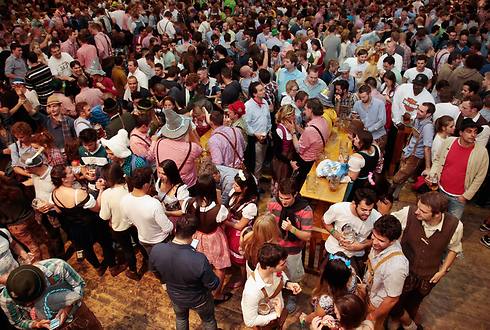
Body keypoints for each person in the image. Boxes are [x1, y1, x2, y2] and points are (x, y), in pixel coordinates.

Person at [390, 192, 463, 330]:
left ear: (437, 214)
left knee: (415, 302)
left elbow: (454, 249)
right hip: (404, 270)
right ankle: (399, 321)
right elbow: (390, 223)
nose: (417, 212)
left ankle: (407, 321)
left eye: (423, 211)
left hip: (428, 275)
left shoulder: (455, 225)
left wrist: (442, 271)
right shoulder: (409, 213)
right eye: (418, 207)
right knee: (396, 300)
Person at [50, 164, 124, 277]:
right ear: (63, 179)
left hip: (74, 227)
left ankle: (98, 267)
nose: (73, 173)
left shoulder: (54, 193)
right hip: (91, 224)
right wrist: (101, 190)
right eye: (70, 172)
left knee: (86, 248)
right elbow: (97, 207)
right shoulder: (77, 194)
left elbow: (59, 211)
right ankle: (113, 267)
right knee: (106, 244)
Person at [150, 215, 220, 330]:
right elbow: (213, 284)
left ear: (176, 229)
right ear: (194, 234)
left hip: (175, 296)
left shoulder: (157, 249)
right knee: (208, 320)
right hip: (199, 299)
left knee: (181, 318)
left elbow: (154, 270)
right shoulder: (199, 259)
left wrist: (163, 282)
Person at [0, 260, 102, 329]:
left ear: (44, 286)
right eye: (25, 303)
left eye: (32, 301)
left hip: (79, 313)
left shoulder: (58, 267)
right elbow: (18, 321)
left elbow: (79, 285)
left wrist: (68, 307)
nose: (29, 304)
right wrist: (37, 324)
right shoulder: (6, 299)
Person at [184, 174, 232, 304]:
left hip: (196, 237)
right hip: (214, 238)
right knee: (220, 267)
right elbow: (223, 219)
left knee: (199, 265)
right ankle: (216, 294)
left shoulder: (189, 203)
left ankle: (199, 290)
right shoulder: (219, 209)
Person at [428, 118, 489, 219]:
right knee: (435, 218)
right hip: (440, 190)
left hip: (459, 197)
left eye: (475, 132)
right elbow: (438, 159)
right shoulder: (449, 141)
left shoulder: (482, 152)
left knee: (452, 224)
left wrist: (466, 196)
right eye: (469, 131)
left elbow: (480, 177)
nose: (473, 135)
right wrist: (432, 175)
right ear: (461, 132)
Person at [267, 178, 312, 311]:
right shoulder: (274, 203)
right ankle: (277, 291)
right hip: (276, 245)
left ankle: (293, 295)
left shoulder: (305, 210)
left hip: (293, 250)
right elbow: (268, 221)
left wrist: (292, 229)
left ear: (295, 194)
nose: (283, 201)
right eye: (281, 197)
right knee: (275, 272)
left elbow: (307, 236)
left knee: (293, 274)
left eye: (287, 198)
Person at [241, 243, 302, 328]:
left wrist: (288, 284)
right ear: (269, 267)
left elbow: (280, 275)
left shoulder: (271, 269)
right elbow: (250, 321)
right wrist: (276, 315)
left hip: (278, 308)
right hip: (267, 319)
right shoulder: (252, 291)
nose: (286, 265)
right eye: (282, 264)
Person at [99, 163, 143, 280]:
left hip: (119, 226)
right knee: (139, 242)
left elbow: (104, 216)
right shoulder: (129, 184)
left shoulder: (107, 194)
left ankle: (133, 271)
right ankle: (147, 258)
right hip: (135, 222)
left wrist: (101, 190)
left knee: (127, 249)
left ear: (109, 179)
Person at [364, 215, 408, 329]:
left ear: (393, 241)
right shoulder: (378, 244)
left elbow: (392, 299)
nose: (374, 243)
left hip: (376, 304)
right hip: (368, 292)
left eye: (381, 241)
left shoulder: (397, 266)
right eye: (374, 236)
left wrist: (373, 316)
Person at [323, 188, 381, 274]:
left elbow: (379, 239)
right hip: (334, 249)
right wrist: (337, 235)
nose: (367, 214)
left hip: (356, 256)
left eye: (370, 210)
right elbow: (325, 221)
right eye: (363, 210)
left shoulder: (377, 217)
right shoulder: (338, 208)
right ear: (354, 204)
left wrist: (362, 246)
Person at [120, 167, 174, 257]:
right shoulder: (153, 204)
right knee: (164, 261)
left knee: (152, 259)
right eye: (150, 182)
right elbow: (168, 228)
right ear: (145, 185)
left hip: (143, 239)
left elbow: (128, 221)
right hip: (160, 240)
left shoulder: (124, 200)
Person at [299, 252, 359, 326]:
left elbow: (316, 315)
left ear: (327, 278)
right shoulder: (352, 273)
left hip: (328, 318)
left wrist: (305, 319)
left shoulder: (326, 299)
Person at [391, 102, 435, 199]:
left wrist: (428, 167)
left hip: (415, 157)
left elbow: (427, 147)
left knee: (398, 177)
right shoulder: (418, 119)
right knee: (401, 177)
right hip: (408, 152)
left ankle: (389, 194)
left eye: (421, 111)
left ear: (428, 114)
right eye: (418, 109)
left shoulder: (428, 127)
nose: (418, 112)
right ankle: (394, 196)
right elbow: (410, 124)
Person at [150, 109, 202, 190]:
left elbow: (150, 155)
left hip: (163, 185)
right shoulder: (191, 148)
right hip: (186, 188)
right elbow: (200, 149)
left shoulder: (159, 143)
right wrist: (191, 132)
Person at [284, 98, 330, 189]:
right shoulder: (323, 121)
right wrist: (297, 127)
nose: (304, 111)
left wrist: (293, 132)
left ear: (311, 110)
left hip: (306, 162)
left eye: (305, 109)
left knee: (299, 185)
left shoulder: (310, 129)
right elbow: (310, 136)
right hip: (316, 157)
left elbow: (299, 149)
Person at [224, 170, 258, 273]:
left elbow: (240, 226)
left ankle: (242, 279)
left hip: (241, 235)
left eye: (237, 185)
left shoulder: (251, 206)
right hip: (231, 229)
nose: (233, 186)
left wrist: (225, 222)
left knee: (241, 259)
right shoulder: (235, 193)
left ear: (245, 188)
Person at [244, 81, 272, 181]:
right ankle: (255, 185)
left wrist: (268, 130)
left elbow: (268, 119)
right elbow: (246, 124)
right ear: (254, 94)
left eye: (263, 89)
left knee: (261, 161)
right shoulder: (248, 106)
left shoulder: (264, 102)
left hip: (265, 137)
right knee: (256, 163)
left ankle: (258, 178)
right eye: (261, 90)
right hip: (254, 139)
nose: (264, 91)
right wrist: (256, 134)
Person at [347, 129, 381, 199]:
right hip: (369, 177)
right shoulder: (376, 147)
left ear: (362, 143)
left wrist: (343, 163)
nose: (354, 139)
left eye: (356, 138)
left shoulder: (357, 158)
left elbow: (352, 177)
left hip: (359, 183)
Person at [271, 105, 297, 196]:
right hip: (281, 162)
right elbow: (277, 153)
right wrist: (289, 162)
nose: (295, 116)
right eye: (293, 115)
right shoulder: (279, 130)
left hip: (288, 160)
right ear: (287, 116)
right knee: (281, 181)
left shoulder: (291, 127)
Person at [353, 85, 387, 152]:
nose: (362, 99)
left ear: (369, 94)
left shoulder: (379, 104)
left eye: (364, 97)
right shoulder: (357, 104)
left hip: (378, 136)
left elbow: (382, 121)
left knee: (376, 158)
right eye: (360, 97)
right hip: (363, 138)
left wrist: (368, 130)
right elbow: (355, 118)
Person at [155, 159, 189, 224]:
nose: (160, 176)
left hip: (177, 222)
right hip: (163, 219)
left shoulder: (180, 189)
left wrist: (167, 213)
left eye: (163, 174)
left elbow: (184, 211)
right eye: (159, 172)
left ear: (171, 174)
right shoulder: (159, 182)